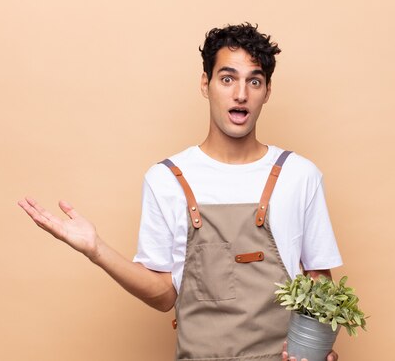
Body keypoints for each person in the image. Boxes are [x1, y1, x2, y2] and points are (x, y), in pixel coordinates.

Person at [18, 22, 342, 361]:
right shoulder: (166, 179)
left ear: (267, 91)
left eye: (254, 81)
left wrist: (319, 351)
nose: (241, 94)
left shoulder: (300, 175)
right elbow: (163, 296)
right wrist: (96, 250)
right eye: (227, 78)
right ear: (206, 84)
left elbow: (319, 283)